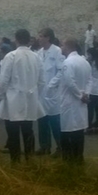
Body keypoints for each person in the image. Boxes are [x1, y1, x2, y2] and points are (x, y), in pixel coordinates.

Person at [0, 29, 45, 163]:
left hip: (13, 99)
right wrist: (34, 94)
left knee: (13, 133)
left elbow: (3, 80)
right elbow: (42, 81)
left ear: (16, 40)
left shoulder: (11, 56)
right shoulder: (36, 57)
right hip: (30, 99)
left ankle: (15, 161)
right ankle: (30, 160)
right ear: (29, 39)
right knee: (28, 131)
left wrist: (1, 96)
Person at [52, 38, 92, 164]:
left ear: (68, 47)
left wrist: (80, 95)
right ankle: (79, 158)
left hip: (69, 103)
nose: (61, 47)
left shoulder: (67, 62)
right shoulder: (84, 61)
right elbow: (90, 80)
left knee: (67, 132)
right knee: (79, 132)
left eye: (63, 44)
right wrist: (86, 93)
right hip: (81, 103)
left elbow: (70, 82)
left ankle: (68, 160)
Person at [36, 28, 64, 156]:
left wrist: (51, 85)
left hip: (52, 93)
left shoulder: (57, 51)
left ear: (48, 38)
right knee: (42, 121)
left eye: (41, 36)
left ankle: (60, 147)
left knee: (54, 122)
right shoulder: (39, 53)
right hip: (41, 93)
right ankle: (44, 146)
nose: (39, 38)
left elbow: (61, 71)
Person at [86, 48, 98, 135]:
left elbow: (89, 75)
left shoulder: (92, 64)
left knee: (90, 108)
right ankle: (97, 126)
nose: (87, 56)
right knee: (97, 108)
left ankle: (89, 127)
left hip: (92, 88)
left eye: (88, 54)